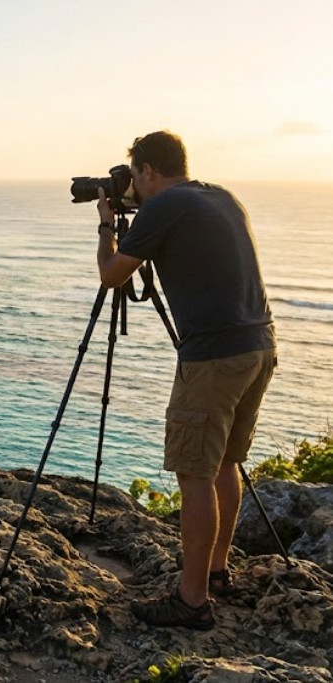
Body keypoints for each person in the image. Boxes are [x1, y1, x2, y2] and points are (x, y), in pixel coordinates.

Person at [94, 130, 276, 630]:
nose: (133, 183)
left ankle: (191, 601)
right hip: (259, 346)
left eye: (135, 174)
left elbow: (113, 275)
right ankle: (216, 573)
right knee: (226, 463)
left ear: (148, 170)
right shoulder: (219, 196)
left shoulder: (163, 207)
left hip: (214, 358)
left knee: (195, 472)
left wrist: (108, 226)